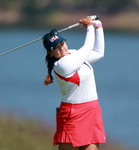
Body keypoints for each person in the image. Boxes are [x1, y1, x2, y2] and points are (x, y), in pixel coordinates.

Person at [42, 17, 106, 150]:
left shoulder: (74, 54)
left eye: (62, 43)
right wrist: (89, 25)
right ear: (50, 52)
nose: (61, 48)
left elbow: (99, 53)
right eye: (56, 48)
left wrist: (98, 26)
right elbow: (88, 46)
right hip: (72, 115)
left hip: (91, 111)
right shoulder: (61, 65)